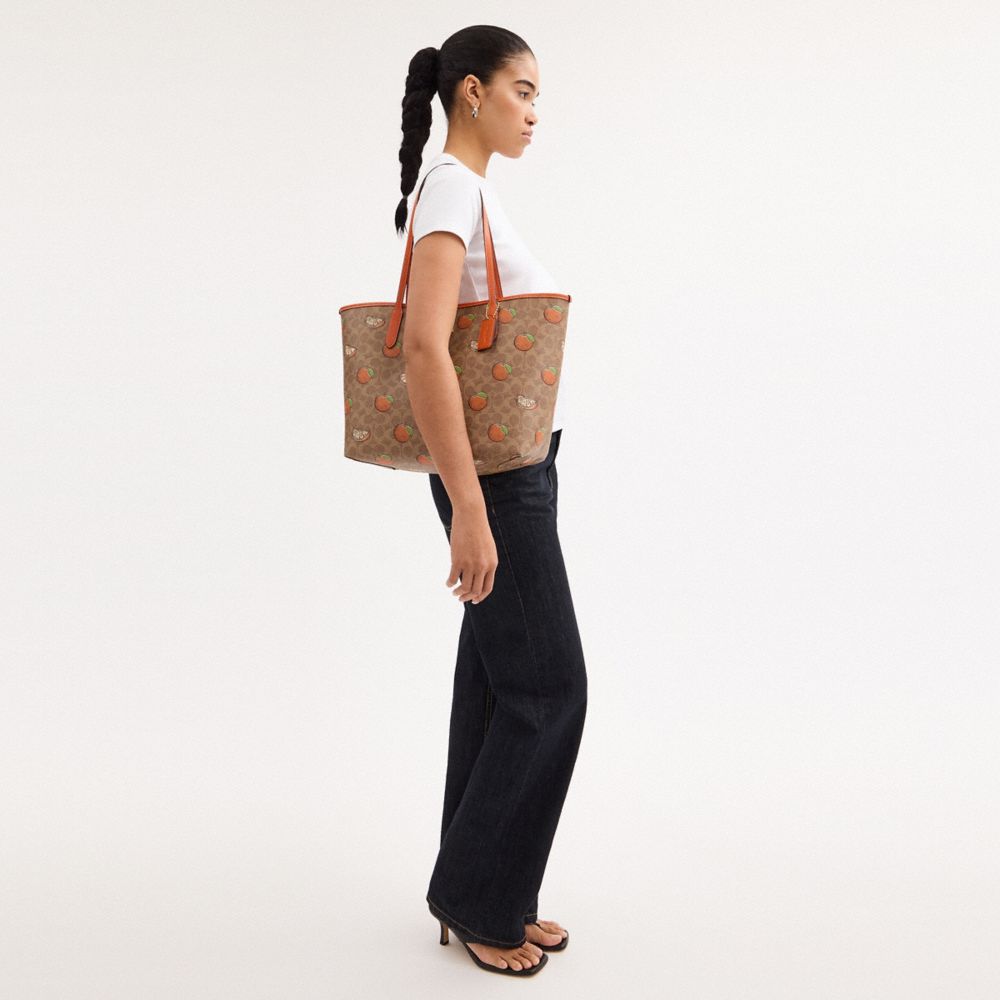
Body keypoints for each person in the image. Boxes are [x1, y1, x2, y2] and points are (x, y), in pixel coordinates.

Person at [396, 25, 587, 978]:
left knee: (499, 685)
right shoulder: (452, 189)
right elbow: (422, 347)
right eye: (524, 91)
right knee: (551, 690)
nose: (534, 112)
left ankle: (487, 889)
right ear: (472, 92)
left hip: (516, 470)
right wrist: (469, 508)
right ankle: (480, 897)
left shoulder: (465, 190)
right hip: (498, 482)